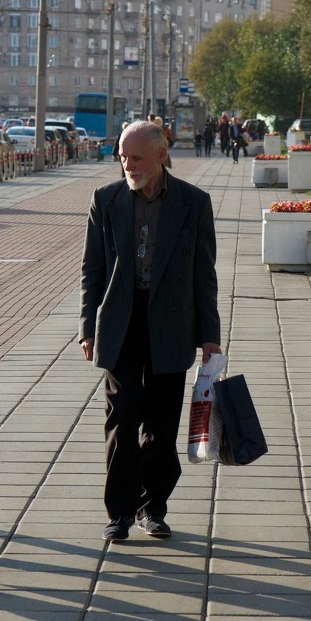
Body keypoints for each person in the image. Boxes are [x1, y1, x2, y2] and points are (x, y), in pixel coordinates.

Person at [79, 120, 221, 542]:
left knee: (161, 422)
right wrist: (88, 327)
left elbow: (204, 273)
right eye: (122, 156)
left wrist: (209, 334)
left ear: (162, 154)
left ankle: (153, 507)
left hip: (171, 323)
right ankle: (119, 512)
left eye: (136, 157)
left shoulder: (193, 202)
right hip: (121, 323)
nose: (127, 164)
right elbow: (92, 270)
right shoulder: (106, 200)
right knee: (123, 417)